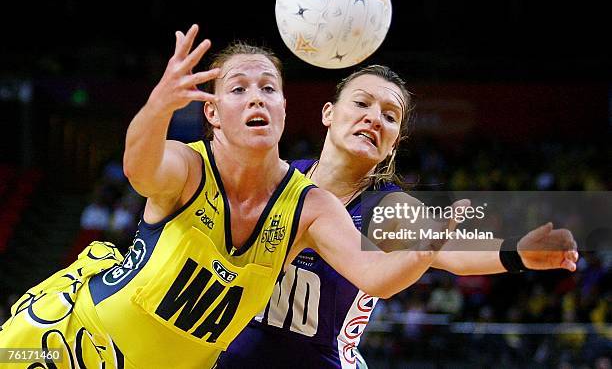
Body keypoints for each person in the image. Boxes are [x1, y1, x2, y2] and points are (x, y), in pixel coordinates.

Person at [0, 26, 451, 369]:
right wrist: (159, 105)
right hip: (71, 342)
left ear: (284, 109)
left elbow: (382, 272)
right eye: (239, 89)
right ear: (212, 112)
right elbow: (140, 168)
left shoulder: (319, 204)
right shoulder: (189, 167)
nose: (257, 98)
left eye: (269, 88)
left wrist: (441, 245)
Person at [218, 64, 579, 368]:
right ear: (328, 112)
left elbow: (451, 250)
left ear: (394, 142)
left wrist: (517, 253)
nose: (374, 119)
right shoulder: (278, 178)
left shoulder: (387, 207)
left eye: (389, 117)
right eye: (361, 103)